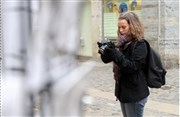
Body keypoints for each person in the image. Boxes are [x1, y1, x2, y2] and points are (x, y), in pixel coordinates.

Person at [99, 12, 149, 117]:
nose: (121, 30)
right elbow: (107, 60)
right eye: (119, 27)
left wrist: (114, 52)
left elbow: (131, 67)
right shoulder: (121, 43)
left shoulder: (140, 44)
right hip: (124, 92)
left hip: (135, 94)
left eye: (124, 27)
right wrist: (104, 51)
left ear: (133, 26)